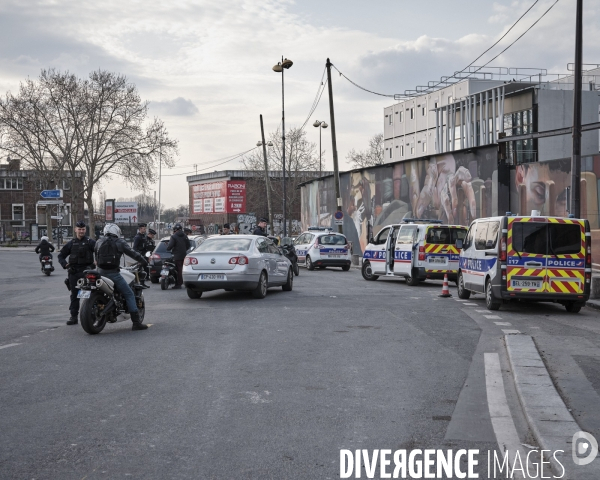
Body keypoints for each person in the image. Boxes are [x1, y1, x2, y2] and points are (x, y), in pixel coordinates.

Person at [95, 223, 149, 331]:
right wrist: (143, 261)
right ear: (116, 232)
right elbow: (133, 253)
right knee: (129, 293)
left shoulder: (98, 241)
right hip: (113, 273)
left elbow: (96, 257)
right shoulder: (119, 242)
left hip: (99, 273)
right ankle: (136, 323)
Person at [58, 221, 96, 325]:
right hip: (74, 273)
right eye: (79, 229)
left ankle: (92, 316)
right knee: (74, 295)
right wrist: (66, 265)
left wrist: (95, 262)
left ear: (85, 230)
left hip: (87, 272)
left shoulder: (90, 242)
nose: (81, 231)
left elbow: (99, 251)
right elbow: (60, 256)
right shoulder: (71, 243)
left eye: (83, 229)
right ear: (75, 230)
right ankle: (73, 317)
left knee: (91, 294)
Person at [167, 223, 191, 289]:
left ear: (175, 230)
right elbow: (188, 245)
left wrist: (168, 248)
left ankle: (178, 283)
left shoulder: (173, 236)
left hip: (176, 255)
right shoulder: (185, 236)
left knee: (177, 270)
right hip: (184, 255)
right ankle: (183, 282)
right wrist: (184, 250)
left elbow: (170, 245)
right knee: (182, 269)